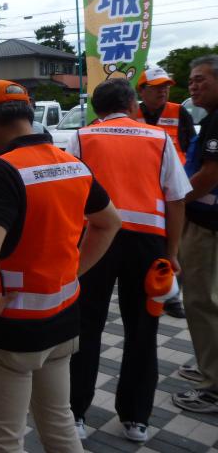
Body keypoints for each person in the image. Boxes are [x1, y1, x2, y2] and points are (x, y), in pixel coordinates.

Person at [0, 80, 120, 453]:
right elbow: (109, 222)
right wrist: (72, 272)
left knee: (3, 441)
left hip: (12, 334)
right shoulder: (71, 164)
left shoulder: (5, 171)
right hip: (64, 324)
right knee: (59, 422)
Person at [68, 78, 190, 443]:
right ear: (134, 106)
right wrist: (171, 254)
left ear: (97, 109)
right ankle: (136, 418)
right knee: (143, 329)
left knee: (86, 326)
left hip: (96, 238)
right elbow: (176, 198)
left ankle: (75, 414)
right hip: (148, 244)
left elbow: (70, 194)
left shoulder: (83, 137)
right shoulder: (158, 138)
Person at [173, 55, 218, 414]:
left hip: (207, 226)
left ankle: (213, 385)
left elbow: (209, 175)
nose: (193, 86)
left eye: (200, 79)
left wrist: (175, 200)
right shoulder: (210, 119)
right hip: (204, 220)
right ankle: (208, 364)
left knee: (202, 302)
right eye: (190, 80)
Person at [136, 66, 195, 319]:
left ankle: (171, 296)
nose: (163, 90)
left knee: (175, 243)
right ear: (142, 90)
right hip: (141, 190)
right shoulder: (131, 113)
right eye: (157, 87)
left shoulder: (178, 111)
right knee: (145, 243)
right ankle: (143, 287)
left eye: (166, 86)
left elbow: (191, 149)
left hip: (173, 192)